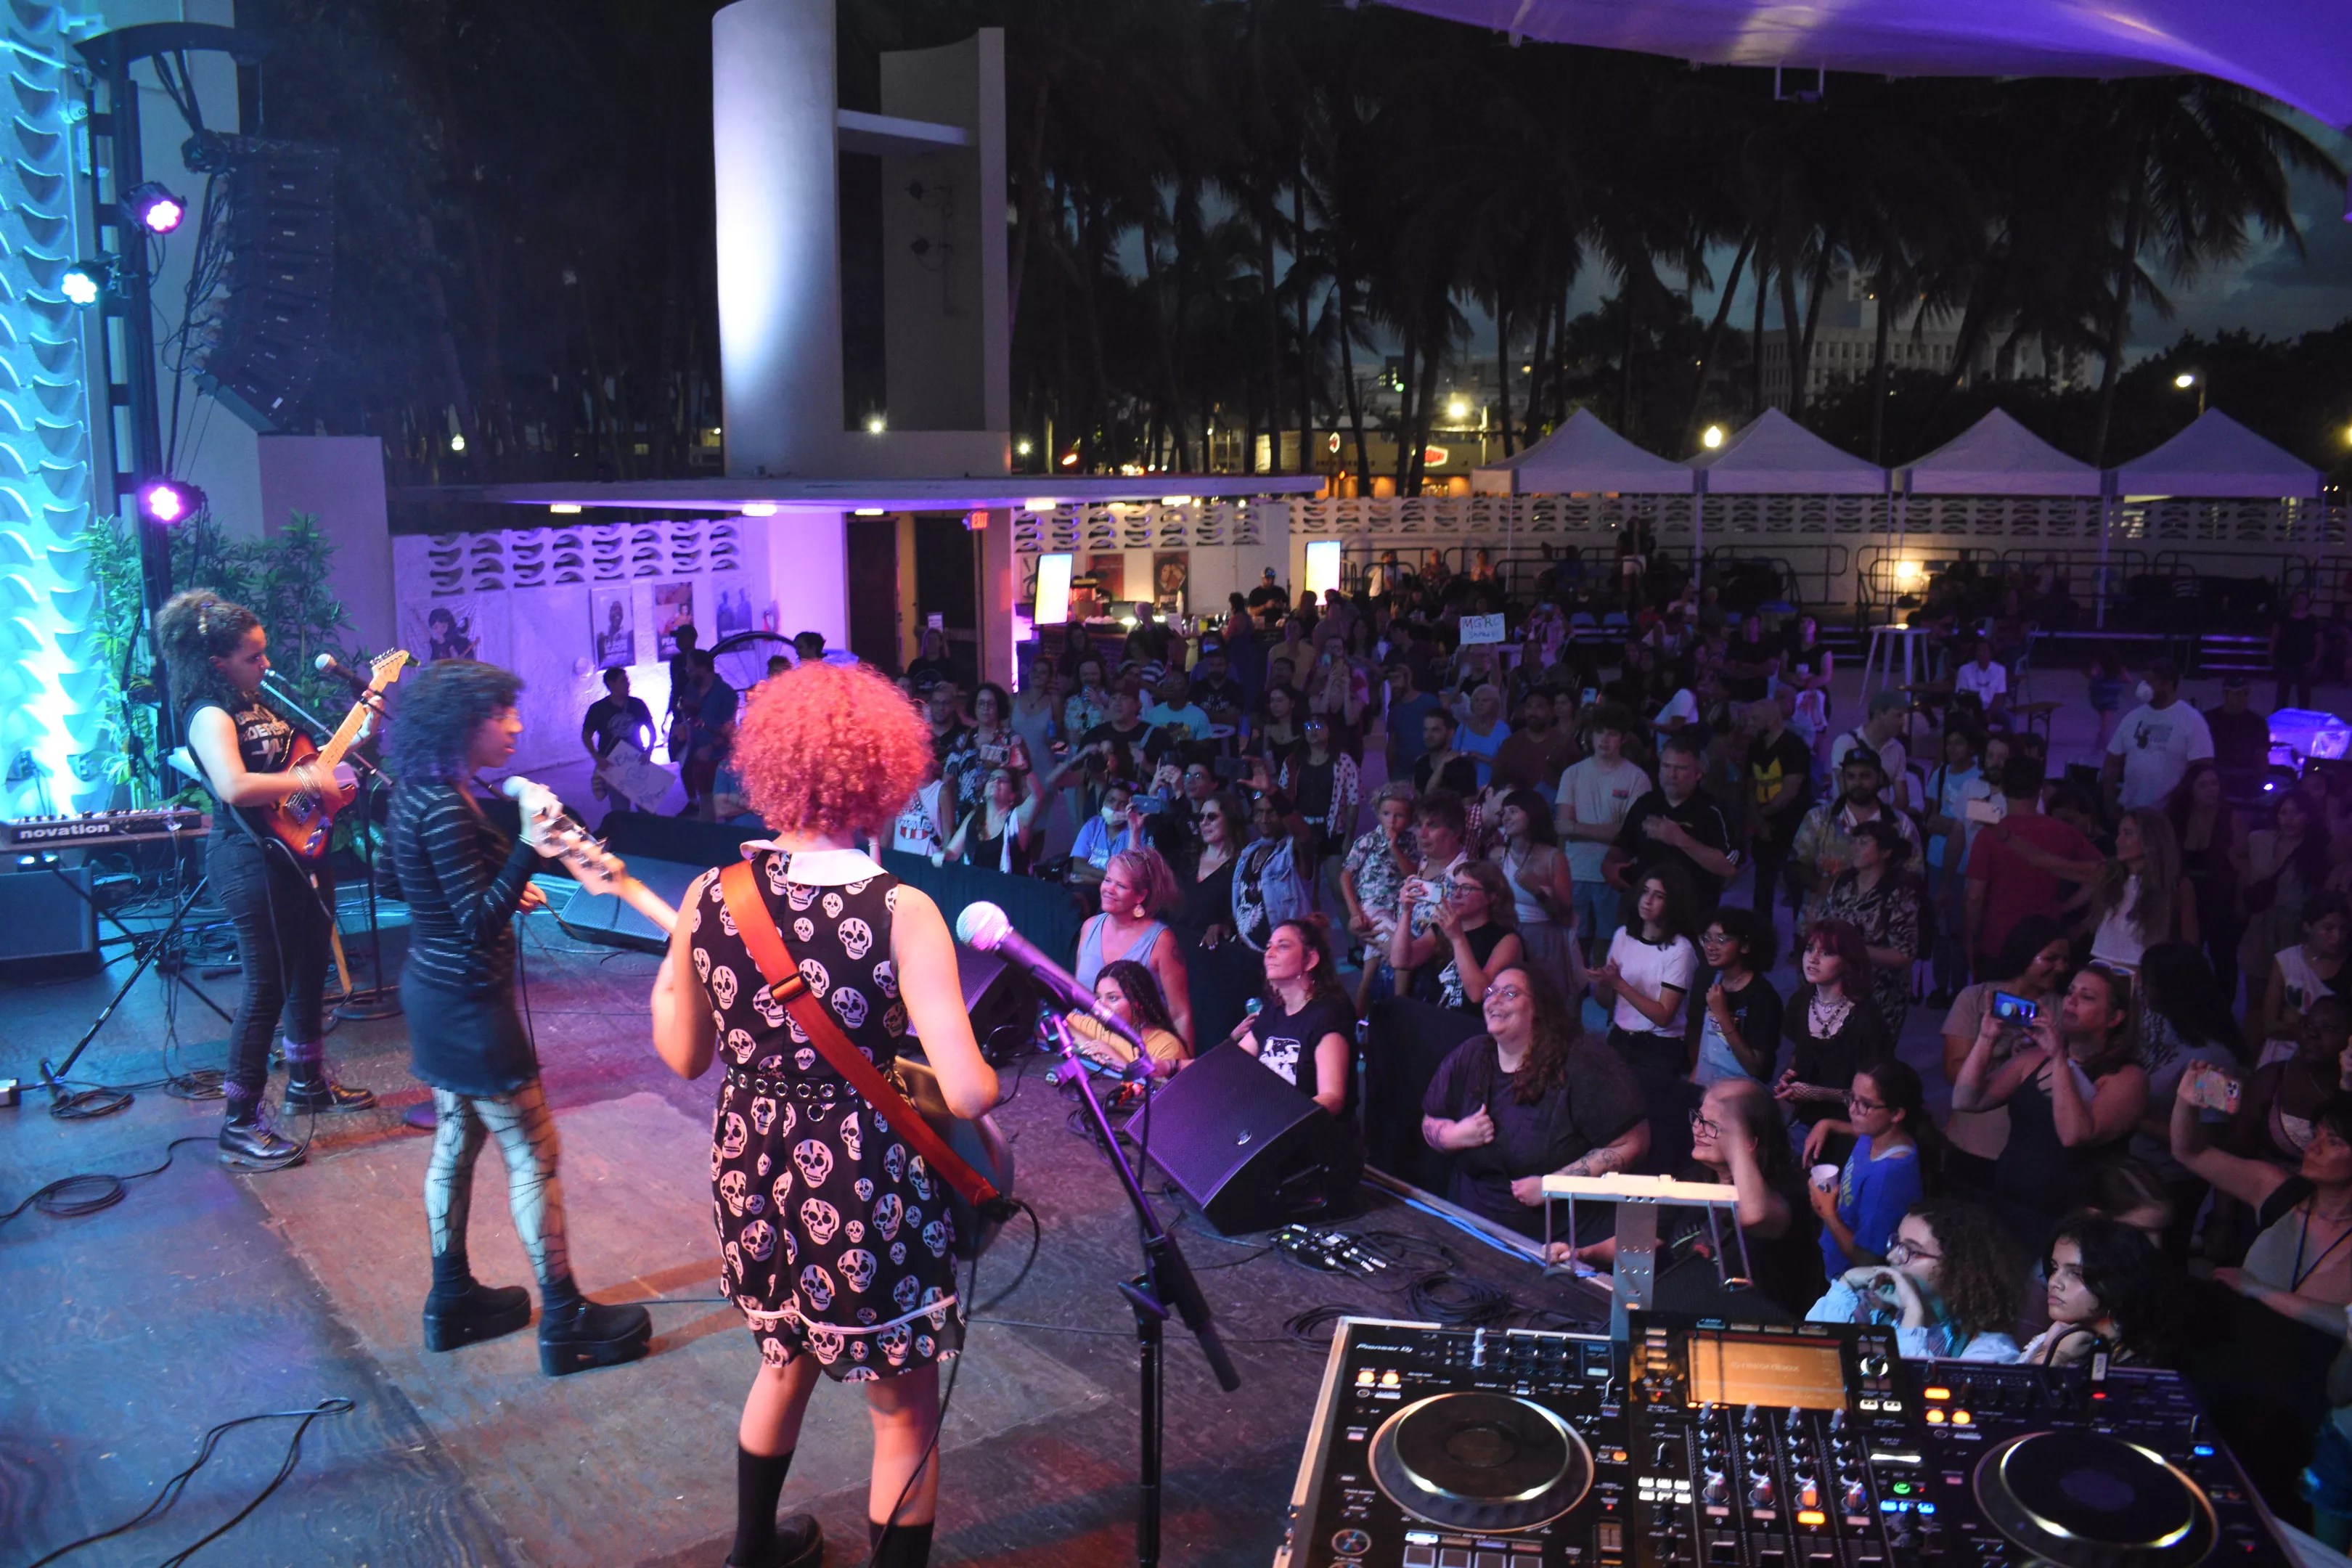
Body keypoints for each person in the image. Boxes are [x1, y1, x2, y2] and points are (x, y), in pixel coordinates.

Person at [650, 658, 999, 1568]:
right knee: (903, 1409)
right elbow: (966, 1093)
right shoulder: (903, 908)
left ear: (771, 770)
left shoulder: (711, 895)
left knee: (784, 1357)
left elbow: (684, 1056)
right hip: (860, 1172)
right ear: (881, 777)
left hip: (753, 1165)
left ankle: (752, 1552)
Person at [383, 658, 652, 1373]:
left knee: (456, 1140)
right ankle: (565, 1321)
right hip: (468, 1006)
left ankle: (451, 1301)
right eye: (501, 714)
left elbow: (401, 883)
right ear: (461, 723)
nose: (516, 725)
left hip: (435, 996)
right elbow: (472, 919)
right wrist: (525, 855)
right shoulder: (444, 804)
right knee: (535, 1153)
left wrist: (495, 880)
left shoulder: (418, 793)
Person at [155, 589, 375, 1169]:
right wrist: (308, 782)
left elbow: (305, 770)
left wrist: (355, 736)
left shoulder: (261, 706)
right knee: (265, 988)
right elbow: (233, 786)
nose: (266, 665)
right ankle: (240, 1121)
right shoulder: (209, 711)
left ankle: (307, 1082)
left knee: (309, 970)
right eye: (254, 657)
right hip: (248, 857)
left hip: (298, 850)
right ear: (216, 663)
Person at [1422, 964, 1650, 1238]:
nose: (1494, 999)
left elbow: (1633, 1143)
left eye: (1510, 993)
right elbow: (1430, 1120)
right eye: (1492, 991)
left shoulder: (1582, 1063)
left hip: (1551, 1238)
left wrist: (1553, 1186)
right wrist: (1453, 1136)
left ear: (1539, 1008)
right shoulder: (1472, 1055)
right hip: (1471, 1223)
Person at [1574, 1077, 1821, 1315]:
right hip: (1690, 1318)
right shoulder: (1695, 1179)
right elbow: (1642, 1240)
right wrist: (1583, 1254)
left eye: (1713, 1125)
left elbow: (1753, 1215)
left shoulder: (1787, 1195)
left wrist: (1736, 1133)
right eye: (1699, 1117)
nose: (1697, 1129)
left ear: (1748, 1142)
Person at [1954, 963, 2147, 1246]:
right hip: (2008, 1203)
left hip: (2069, 1222)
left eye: (2087, 997)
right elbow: (1966, 1100)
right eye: (2070, 992)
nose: (2071, 1001)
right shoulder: (2033, 1059)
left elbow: (2074, 1134)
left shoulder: (2128, 1079)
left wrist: (2059, 1058)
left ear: (2115, 1017)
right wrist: (1986, 1038)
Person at [1939, 917, 2073, 1196]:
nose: (2061, 967)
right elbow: (1953, 1072)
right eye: (2051, 958)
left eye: (2065, 960)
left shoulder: (2060, 1012)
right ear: (2025, 954)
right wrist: (1999, 1050)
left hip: (2025, 1151)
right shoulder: (1975, 999)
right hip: (1971, 1141)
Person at [1808, 1199, 2027, 1361]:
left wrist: (1913, 1315)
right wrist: (1847, 1282)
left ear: (1958, 1266)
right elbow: (1813, 1356)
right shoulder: (1877, 1308)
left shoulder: (1991, 1349)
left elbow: (1911, 1398)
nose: (1893, 1257)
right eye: (1896, 1244)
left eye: (1912, 1251)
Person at [1964, 754, 2094, 981]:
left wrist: (1969, 939)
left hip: (1998, 942)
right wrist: (2065, 907)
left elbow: (1975, 897)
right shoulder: (2063, 832)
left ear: (2003, 788)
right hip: (2047, 944)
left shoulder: (1989, 835)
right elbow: (2101, 875)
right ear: (2040, 789)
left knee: (1994, 1011)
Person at [1806, 1061, 1930, 1278]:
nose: (1853, 1110)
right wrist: (1828, 1124)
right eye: (1851, 1098)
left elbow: (1868, 1260)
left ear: (1897, 1114)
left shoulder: (1887, 1179)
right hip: (1830, 1254)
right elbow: (1859, 1133)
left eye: (1865, 1104)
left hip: (1847, 1281)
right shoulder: (1878, 1134)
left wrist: (1827, 1213)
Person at [1776, 920, 1893, 1142]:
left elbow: (1875, 1096)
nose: (1813, 958)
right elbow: (1797, 1054)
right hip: (1804, 1120)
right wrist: (1789, 1077)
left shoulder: (1866, 1019)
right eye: (1810, 949)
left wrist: (1815, 1093)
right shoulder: (1800, 1001)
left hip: (1852, 1127)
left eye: (1827, 953)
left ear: (1847, 963)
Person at [2017, 1212, 2179, 1366]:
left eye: (2075, 1273)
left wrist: (2056, 1358)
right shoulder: (2052, 1338)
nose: (2054, 1282)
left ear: (2115, 1282)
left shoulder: (2136, 1366)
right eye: (2054, 1268)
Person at [1789, 749, 1922, 931]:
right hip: (1822, 925)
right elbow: (1796, 864)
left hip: (1878, 930)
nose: (1857, 783)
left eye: (1865, 776)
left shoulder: (1900, 825)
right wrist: (1821, 885)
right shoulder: (1818, 818)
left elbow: (1915, 873)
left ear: (1880, 778)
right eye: (1851, 776)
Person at [1606, 729, 1739, 909]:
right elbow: (1622, 846)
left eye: (1681, 768)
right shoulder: (1646, 803)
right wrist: (1609, 866)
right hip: (1648, 911)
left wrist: (1680, 839)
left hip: (1694, 912)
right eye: (1666, 766)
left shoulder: (1712, 811)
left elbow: (1729, 868)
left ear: (1698, 773)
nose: (1671, 774)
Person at [1074, 849, 1193, 1050]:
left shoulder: (1161, 940)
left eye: (1120, 885)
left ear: (1140, 896)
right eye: (1107, 880)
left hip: (1138, 1052)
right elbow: (1080, 996)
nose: (1108, 889)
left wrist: (1183, 1070)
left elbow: (1180, 1013)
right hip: (1087, 1046)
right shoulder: (1089, 927)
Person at [1236, 920, 1356, 1118]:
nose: (1269, 953)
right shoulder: (1273, 1010)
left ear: (1310, 960)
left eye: (1282, 946)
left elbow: (1333, 1098)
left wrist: (1277, 1121)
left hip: (1313, 1139)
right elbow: (1232, 1064)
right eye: (1268, 947)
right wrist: (1175, 1066)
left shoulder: (1328, 1017)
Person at [1819, 817, 1925, 1040]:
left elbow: (1904, 955)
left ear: (1885, 852)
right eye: (1854, 842)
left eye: (1864, 843)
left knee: (1871, 1060)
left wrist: (1852, 947)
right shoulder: (1843, 883)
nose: (1855, 848)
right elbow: (1824, 923)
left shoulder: (1899, 894)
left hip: (1880, 994)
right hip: (1838, 988)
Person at [1557, 704, 1649, 960]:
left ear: (1622, 738)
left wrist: (1577, 828)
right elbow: (1562, 825)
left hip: (1614, 875)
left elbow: (1629, 834)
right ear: (1589, 735)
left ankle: (1604, 998)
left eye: (1611, 733)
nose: (1604, 739)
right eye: (1599, 732)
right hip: (1576, 872)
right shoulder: (1572, 774)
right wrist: (1609, 830)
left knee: (1610, 947)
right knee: (1576, 945)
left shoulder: (1637, 778)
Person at [1593, 865, 1700, 1079]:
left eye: (1658, 896)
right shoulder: (1623, 935)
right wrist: (1603, 983)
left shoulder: (1680, 950)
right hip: (1620, 1035)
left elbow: (1663, 1016)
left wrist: (1619, 984)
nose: (1647, 901)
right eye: (1645, 891)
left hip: (1658, 1046)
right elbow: (1606, 1001)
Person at [2242, 791, 2336, 1019]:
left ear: (2308, 815)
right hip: (2261, 926)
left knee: (2289, 999)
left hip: (2293, 929)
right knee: (2255, 994)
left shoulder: (2316, 850)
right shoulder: (2261, 841)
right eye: (2284, 812)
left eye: (2296, 812)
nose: (2289, 818)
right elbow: (2240, 862)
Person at [1393, 859, 1524, 1011]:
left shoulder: (1507, 939)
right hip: (1432, 1016)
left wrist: (1457, 938)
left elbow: (1478, 994)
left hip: (1471, 1025)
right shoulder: (1443, 927)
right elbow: (1401, 961)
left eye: (1467, 888)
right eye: (1454, 887)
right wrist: (1406, 911)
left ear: (1491, 896)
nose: (1457, 894)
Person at [2168, 759, 2248, 1005]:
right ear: (2191, 789)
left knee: (2223, 957)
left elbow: (2243, 862)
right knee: (2183, 954)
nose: (2212, 789)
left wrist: (2240, 901)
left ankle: (2223, 1012)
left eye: (2214, 784)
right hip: (2185, 893)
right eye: (2204, 785)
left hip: (2220, 895)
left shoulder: (2230, 817)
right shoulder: (2178, 817)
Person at [1919, 726, 1983, 1006]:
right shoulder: (1941, 773)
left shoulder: (1979, 779)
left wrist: (1951, 825)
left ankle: (1959, 986)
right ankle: (1939, 984)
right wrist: (1952, 825)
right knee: (1939, 926)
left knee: (1960, 927)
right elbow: (1930, 817)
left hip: (1966, 863)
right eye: (1950, 743)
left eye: (1959, 743)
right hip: (1936, 858)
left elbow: (1982, 820)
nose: (1952, 749)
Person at [2104, 656, 2213, 814]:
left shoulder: (2192, 720)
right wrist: (2109, 805)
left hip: (2169, 815)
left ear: (2166, 684)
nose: (2142, 687)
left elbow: (2202, 768)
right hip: (2130, 811)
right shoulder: (2132, 717)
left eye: (2149, 682)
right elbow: (2112, 761)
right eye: (2143, 681)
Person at [1694, 907, 1784, 1085]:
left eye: (1721, 940)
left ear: (1745, 946)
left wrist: (1722, 1015)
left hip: (1740, 1098)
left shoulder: (1763, 997)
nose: (1711, 947)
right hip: (1707, 1088)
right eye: (1707, 939)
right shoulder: (1714, 980)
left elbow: (1755, 1067)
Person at [1745, 698, 1816, 923]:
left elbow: (1789, 792)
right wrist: (1760, 821)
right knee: (1762, 884)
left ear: (1773, 720)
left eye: (1755, 719)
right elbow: (1750, 785)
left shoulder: (1795, 747)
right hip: (1764, 827)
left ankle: (1800, 943)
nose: (1750, 724)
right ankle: (1759, 938)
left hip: (1792, 827)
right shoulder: (1756, 746)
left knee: (1796, 885)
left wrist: (1762, 817)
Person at [2260, 894, 2348, 1065]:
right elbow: (2269, 1025)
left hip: (2334, 1058)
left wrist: (2295, 1024)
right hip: (2285, 1052)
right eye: (2328, 929)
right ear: (2307, 926)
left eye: (2343, 929)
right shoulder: (2286, 961)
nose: (2337, 937)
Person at [1065, 958, 1190, 1079]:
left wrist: (1116, 1058)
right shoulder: (1094, 1026)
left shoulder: (1165, 1045)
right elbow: (1055, 1019)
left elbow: (1160, 1095)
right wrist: (1086, 1042)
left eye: (1113, 998)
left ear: (1138, 1003)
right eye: (1098, 997)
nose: (1101, 1006)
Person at [1280, 713, 1360, 865]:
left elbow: (1353, 803)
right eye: (1308, 727)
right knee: (1303, 883)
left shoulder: (1344, 762)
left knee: (1336, 884)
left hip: (1333, 831)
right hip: (1300, 829)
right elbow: (1283, 796)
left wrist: (1349, 838)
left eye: (1318, 726)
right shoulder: (1292, 762)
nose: (1313, 731)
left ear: (1330, 731)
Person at [941, 762, 1047, 876]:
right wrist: (941, 856)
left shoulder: (1016, 820)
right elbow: (952, 852)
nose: (996, 782)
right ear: (985, 791)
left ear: (1012, 795)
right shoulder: (974, 815)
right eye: (992, 779)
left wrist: (1024, 767)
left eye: (1003, 780)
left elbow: (1038, 797)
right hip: (975, 890)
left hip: (1008, 891)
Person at [581, 666, 656, 814]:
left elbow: (651, 729)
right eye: (623, 681)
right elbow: (586, 734)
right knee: (620, 809)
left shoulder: (637, 705)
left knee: (647, 807)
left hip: (636, 759)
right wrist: (597, 758)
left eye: (627, 680)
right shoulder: (598, 709)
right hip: (612, 763)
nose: (628, 684)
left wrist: (649, 750)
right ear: (612, 684)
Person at [1175, 792, 1245, 948]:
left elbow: (1243, 915)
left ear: (1230, 820)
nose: (1204, 823)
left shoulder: (1241, 866)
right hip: (1174, 943)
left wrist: (1225, 926)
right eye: (1201, 817)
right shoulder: (1188, 857)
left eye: (1212, 817)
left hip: (1210, 952)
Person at [1828, 691, 1916, 813]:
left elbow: (1902, 799)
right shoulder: (1846, 743)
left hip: (1880, 827)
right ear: (1880, 714)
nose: (1903, 722)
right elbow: (1845, 790)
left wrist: (1887, 823)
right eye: (1898, 716)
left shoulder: (1898, 749)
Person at [683, 649, 742, 817]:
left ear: (703, 669)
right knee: (706, 803)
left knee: (725, 805)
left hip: (719, 757)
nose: (688, 673)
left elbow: (728, 727)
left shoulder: (726, 693)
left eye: (691, 669)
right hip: (697, 755)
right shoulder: (691, 689)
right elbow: (689, 716)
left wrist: (711, 746)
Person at [2207, 676, 2271, 803]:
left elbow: (2262, 756)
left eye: (2245, 694)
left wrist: (2260, 779)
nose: (2242, 698)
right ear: (2226, 695)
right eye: (2237, 694)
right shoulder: (2209, 720)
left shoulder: (2257, 722)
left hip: (2248, 780)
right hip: (2216, 777)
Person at [1384, 663, 1442, 783]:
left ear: (1408, 678)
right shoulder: (1394, 711)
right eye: (1390, 680)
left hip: (1430, 770)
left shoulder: (1429, 702)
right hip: (1402, 773)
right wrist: (1392, 776)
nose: (1393, 685)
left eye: (1396, 679)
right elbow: (1392, 745)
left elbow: (1443, 734)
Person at [1412, 706, 1482, 797]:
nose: (1428, 736)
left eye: (1435, 730)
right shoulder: (1421, 764)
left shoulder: (1463, 766)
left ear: (1450, 733)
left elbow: (1467, 804)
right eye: (1425, 730)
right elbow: (1418, 800)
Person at [2274, 590, 2323, 711]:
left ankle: (2303, 717)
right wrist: (2272, 654)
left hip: (2305, 661)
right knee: (2283, 692)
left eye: (2303, 600)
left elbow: (2319, 641)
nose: (2300, 603)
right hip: (2285, 660)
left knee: (2304, 693)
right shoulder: (2283, 618)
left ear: (2307, 602)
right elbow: (2275, 637)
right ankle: (2280, 716)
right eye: (2298, 600)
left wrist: (2316, 660)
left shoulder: (2312, 620)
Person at [1141, 668, 1212, 742]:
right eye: (1167, 682)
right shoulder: (1152, 715)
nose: (1170, 685)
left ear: (1186, 690)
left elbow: (1203, 749)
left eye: (1177, 682)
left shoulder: (1199, 716)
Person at [1953, 637, 2009, 717]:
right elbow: (1962, 695)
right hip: (1970, 709)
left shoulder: (2000, 670)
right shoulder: (1964, 670)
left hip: (1992, 708)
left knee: (2008, 719)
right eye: (1978, 650)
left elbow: (1999, 695)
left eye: (1984, 650)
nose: (1980, 653)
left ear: (1991, 653)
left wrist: (1989, 713)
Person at [905, 625, 965, 693]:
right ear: (925, 643)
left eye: (935, 640)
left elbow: (954, 688)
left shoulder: (949, 666)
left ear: (941, 643)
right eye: (929, 640)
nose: (932, 643)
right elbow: (907, 686)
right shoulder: (915, 665)